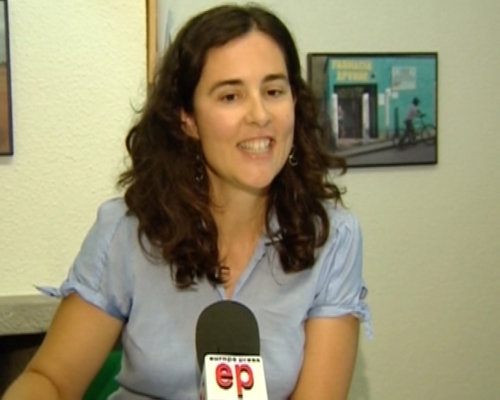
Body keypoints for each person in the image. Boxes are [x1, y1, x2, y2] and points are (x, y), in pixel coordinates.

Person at [3, 4, 371, 400]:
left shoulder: (332, 238)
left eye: (273, 91)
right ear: (188, 119)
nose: (260, 115)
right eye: (230, 96)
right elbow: (51, 380)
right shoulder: (126, 232)